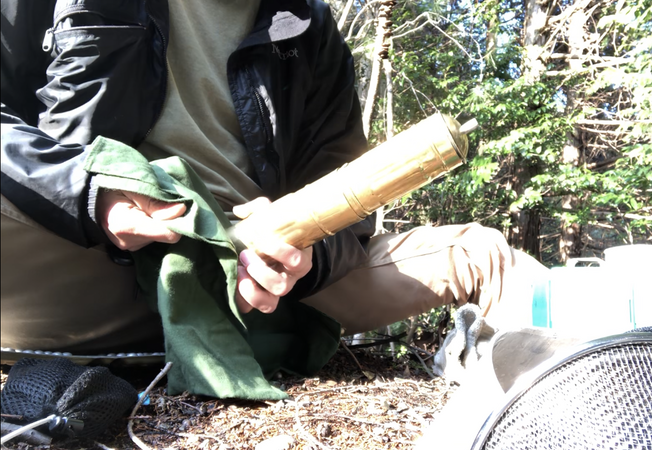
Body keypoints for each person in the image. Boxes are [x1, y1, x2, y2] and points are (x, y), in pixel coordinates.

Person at [1, 0, 545, 355]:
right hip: (85, 248)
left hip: (253, 274)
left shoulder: (307, 27)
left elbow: (342, 205)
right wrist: (86, 191)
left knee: (484, 255)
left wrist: (304, 255)